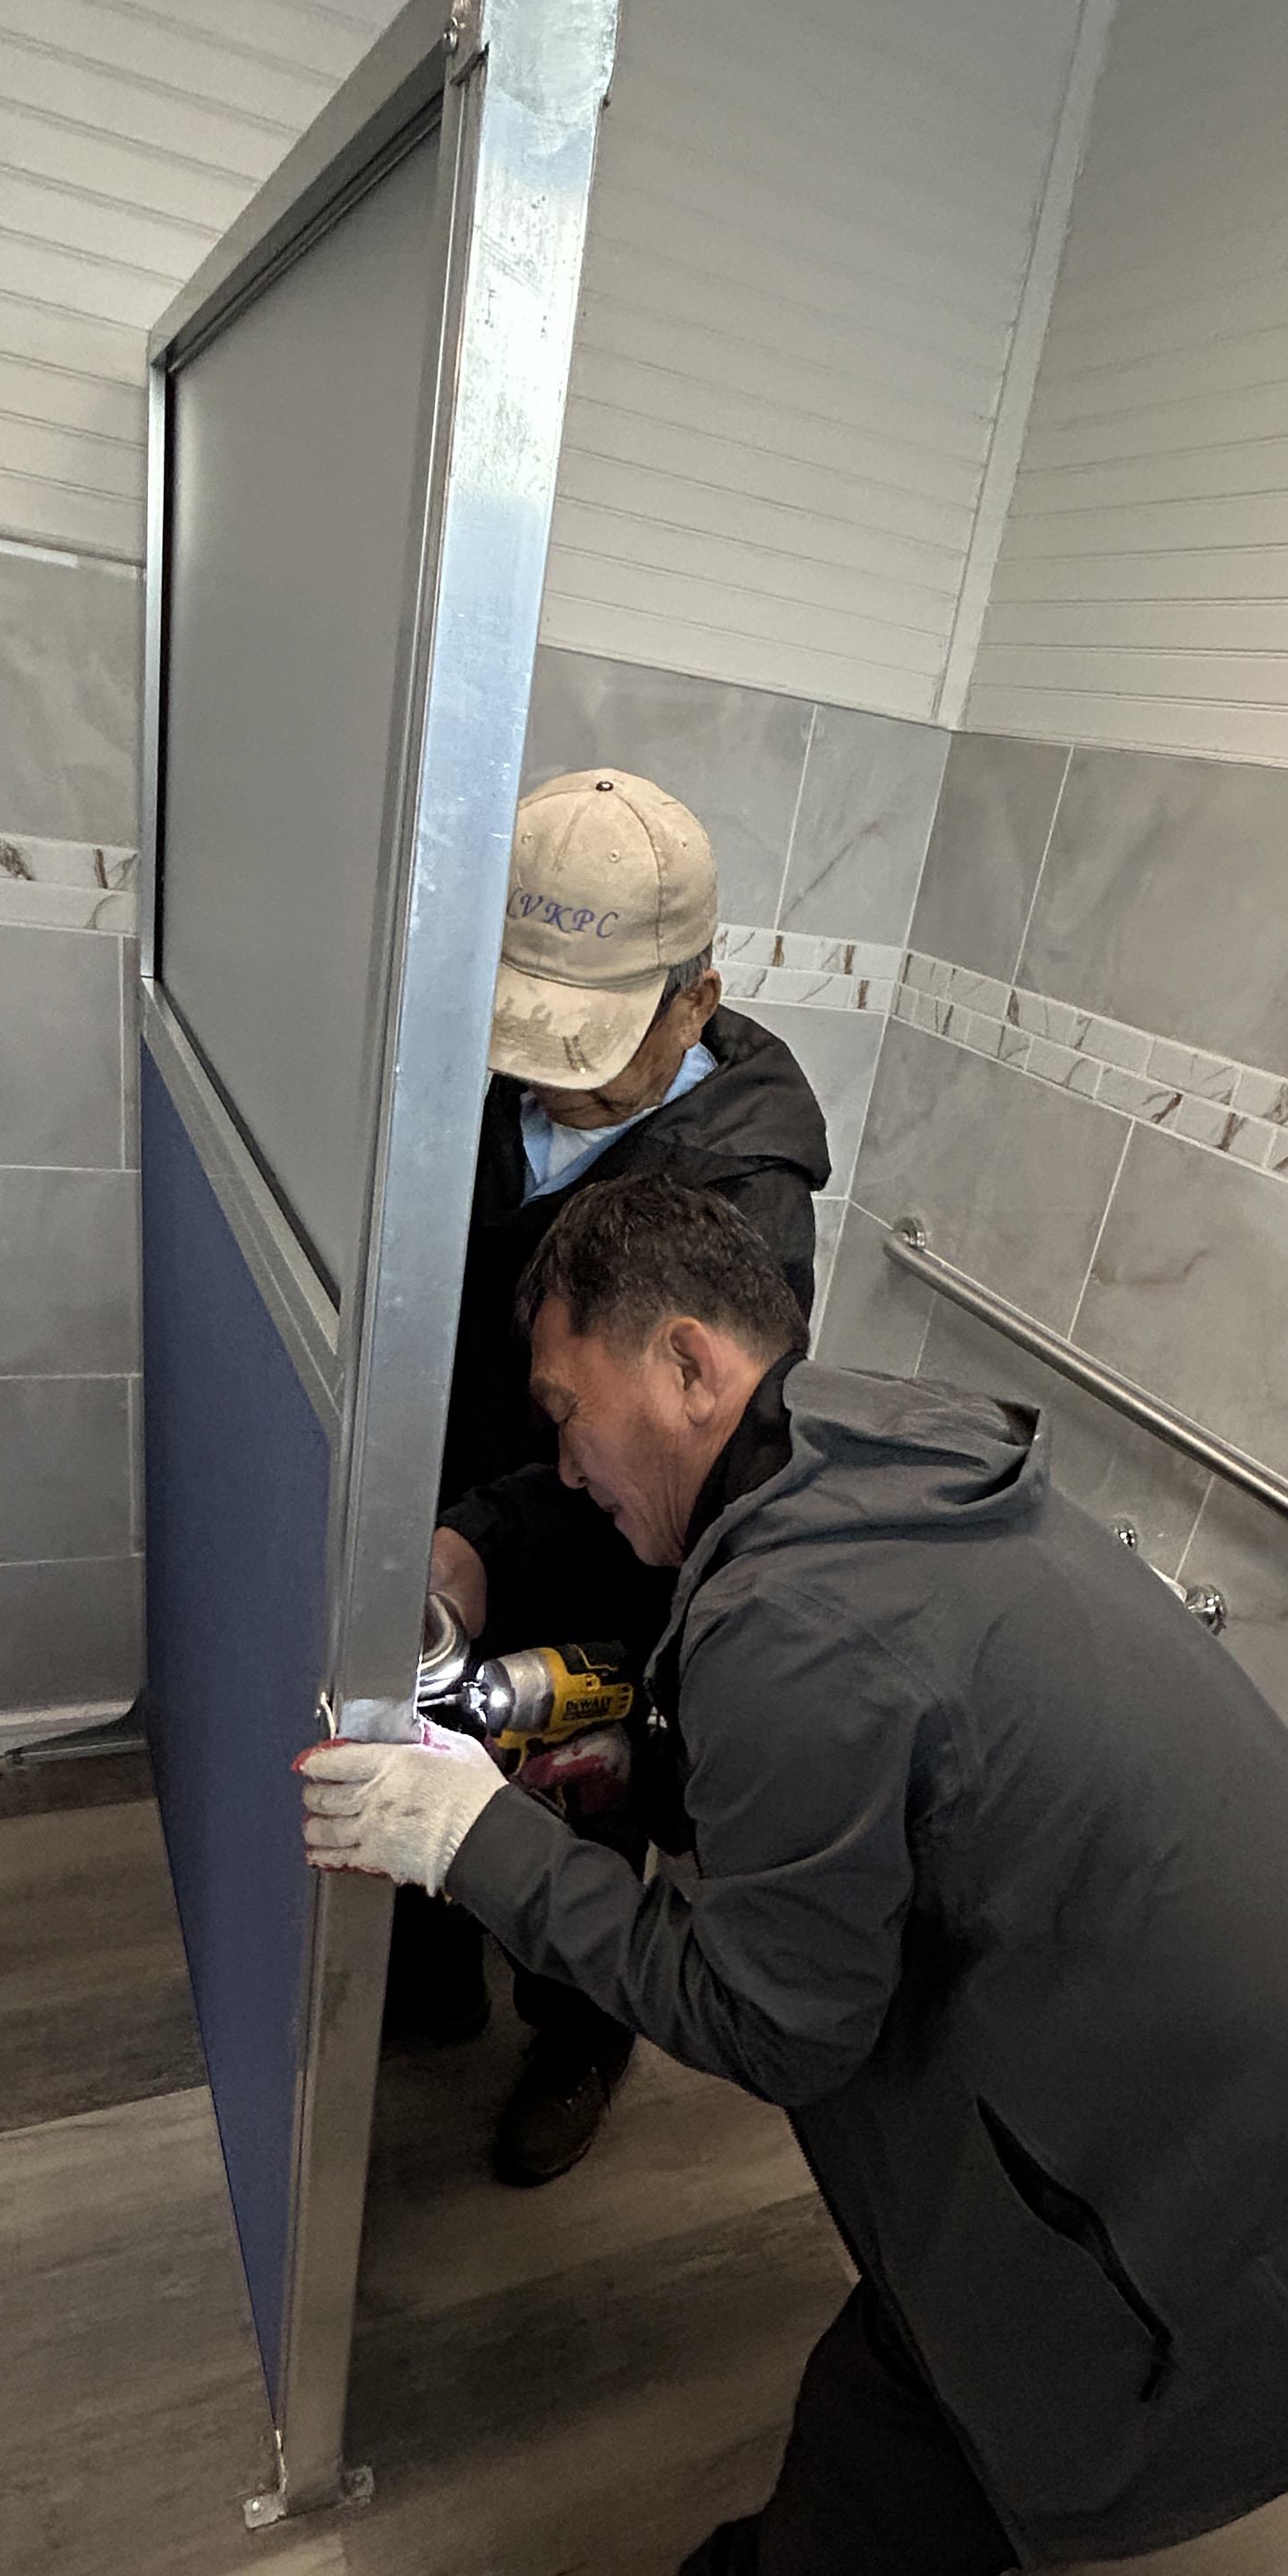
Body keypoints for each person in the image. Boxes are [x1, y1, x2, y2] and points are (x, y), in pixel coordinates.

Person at [301, 1174, 1288, 2576]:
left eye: (570, 1415)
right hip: (1274, 2017)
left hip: (1190, 2118)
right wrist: (628, 1765)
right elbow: (882, 1771)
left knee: (957, 2369)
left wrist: (473, 1842)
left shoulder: (794, 1617)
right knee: (1026, 2344)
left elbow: (777, 2026)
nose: (566, 1466)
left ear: (692, 1365)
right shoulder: (891, 1460)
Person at [397, 764, 831, 2191]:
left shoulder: (743, 1199)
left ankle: (577, 2035)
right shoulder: (490, 1091)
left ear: (695, 1004)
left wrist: (493, 1531)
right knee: (428, 1734)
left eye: (585, 1045)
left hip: (608, 1536)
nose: (549, 1077)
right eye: (528, 1031)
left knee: (585, 1790)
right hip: (465, 1478)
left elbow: (675, 1486)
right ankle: (429, 1970)